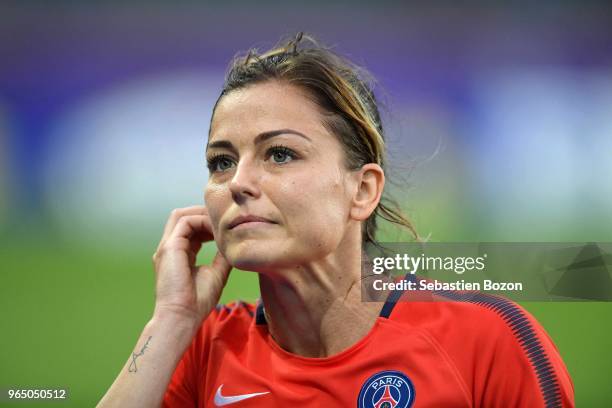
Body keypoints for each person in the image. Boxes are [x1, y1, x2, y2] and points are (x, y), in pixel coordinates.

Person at [97, 33, 574, 407]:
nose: (238, 182)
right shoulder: (202, 349)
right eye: (221, 162)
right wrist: (171, 322)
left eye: (279, 154)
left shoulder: (486, 338)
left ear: (362, 190)